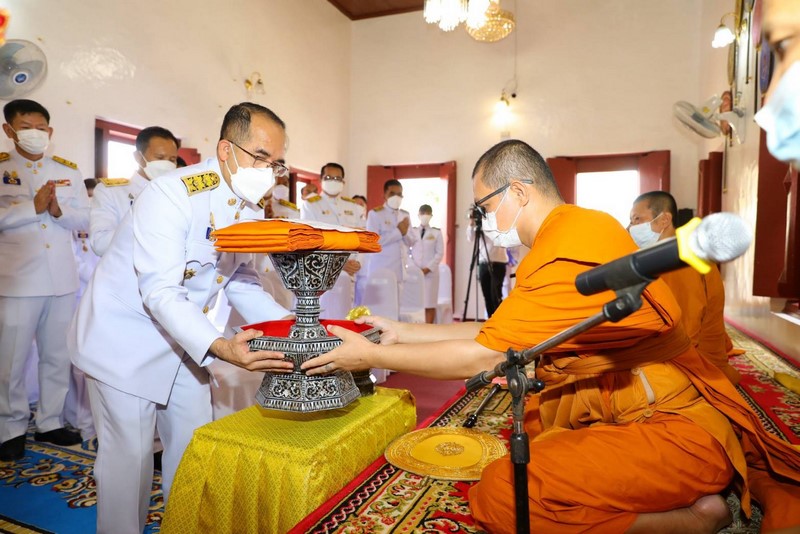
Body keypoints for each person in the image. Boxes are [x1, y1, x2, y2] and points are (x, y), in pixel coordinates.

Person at [304, 139, 800, 533]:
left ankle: (692, 519)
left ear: (518, 193)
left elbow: (485, 355)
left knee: (503, 495)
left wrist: (366, 355)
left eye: (484, 207)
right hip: (634, 410)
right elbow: (501, 329)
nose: (484, 221)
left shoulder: (568, 243)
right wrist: (401, 332)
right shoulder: (573, 229)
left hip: (674, 430)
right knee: (539, 434)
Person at [70, 102, 295, 534]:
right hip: (124, 342)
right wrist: (221, 347)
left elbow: (240, 280)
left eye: (277, 163)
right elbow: (160, 291)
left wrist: (294, 327)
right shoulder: (172, 193)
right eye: (261, 157)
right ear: (226, 150)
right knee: (129, 464)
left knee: (193, 454)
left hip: (185, 342)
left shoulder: (249, 207)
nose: (269, 172)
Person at [0, 99, 89, 462]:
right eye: (26, 127)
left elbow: (85, 219)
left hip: (61, 280)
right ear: (9, 130)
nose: (35, 133)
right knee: (11, 360)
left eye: (41, 128)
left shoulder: (67, 170)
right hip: (17, 282)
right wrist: (31, 208)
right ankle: (10, 428)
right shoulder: (2, 169)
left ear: (50, 131)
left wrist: (58, 211)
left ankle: (50, 421)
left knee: (57, 355)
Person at [629, 191, 741, 384]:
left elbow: (686, 333)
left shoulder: (681, 259)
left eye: (637, 219)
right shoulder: (669, 253)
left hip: (697, 369)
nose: (631, 227)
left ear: (664, 220)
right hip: (678, 355)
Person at [90, 126, 180, 256]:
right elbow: (100, 244)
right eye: (160, 157)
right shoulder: (111, 192)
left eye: (172, 160)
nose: (167, 164)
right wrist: (148, 227)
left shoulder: (178, 194)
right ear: (138, 157)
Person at [301, 163, 364, 318]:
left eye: (337, 178)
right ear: (320, 180)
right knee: (325, 317)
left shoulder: (352, 207)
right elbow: (310, 242)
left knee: (345, 317)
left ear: (343, 182)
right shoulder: (311, 205)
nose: (333, 181)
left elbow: (362, 238)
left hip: (350, 275)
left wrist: (357, 262)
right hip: (322, 275)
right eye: (328, 177)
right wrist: (339, 264)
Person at [366, 179, 417, 288]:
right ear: (384, 195)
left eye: (399, 194)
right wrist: (398, 232)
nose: (396, 197)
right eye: (392, 194)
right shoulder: (375, 214)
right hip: (381, 271)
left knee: (399, 299)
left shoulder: (405, 215)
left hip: (400, 272)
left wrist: (404, 233)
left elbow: (412, 241)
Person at [467, 213, 509, 317]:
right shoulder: (480, 225)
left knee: (495, 295)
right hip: (483, 263)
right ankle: (490, 319)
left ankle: (498, 320)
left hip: (498, 263)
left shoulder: (501, 220)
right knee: (487, 296)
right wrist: (471, 223)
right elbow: (470, 238)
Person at [410, 204, 444, 323]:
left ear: (431, 215)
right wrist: (415, 268)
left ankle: (428, 328)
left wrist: (428, 268)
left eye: (427, 213)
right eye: (423, 213)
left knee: (430, 303)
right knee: (416, 303)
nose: (425, 215)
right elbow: (408, 251)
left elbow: (439, 253)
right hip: (415, 273)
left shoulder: (436, 232)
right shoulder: (412, 232)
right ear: (418, 215)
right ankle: (416, 328)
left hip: (430, 274)